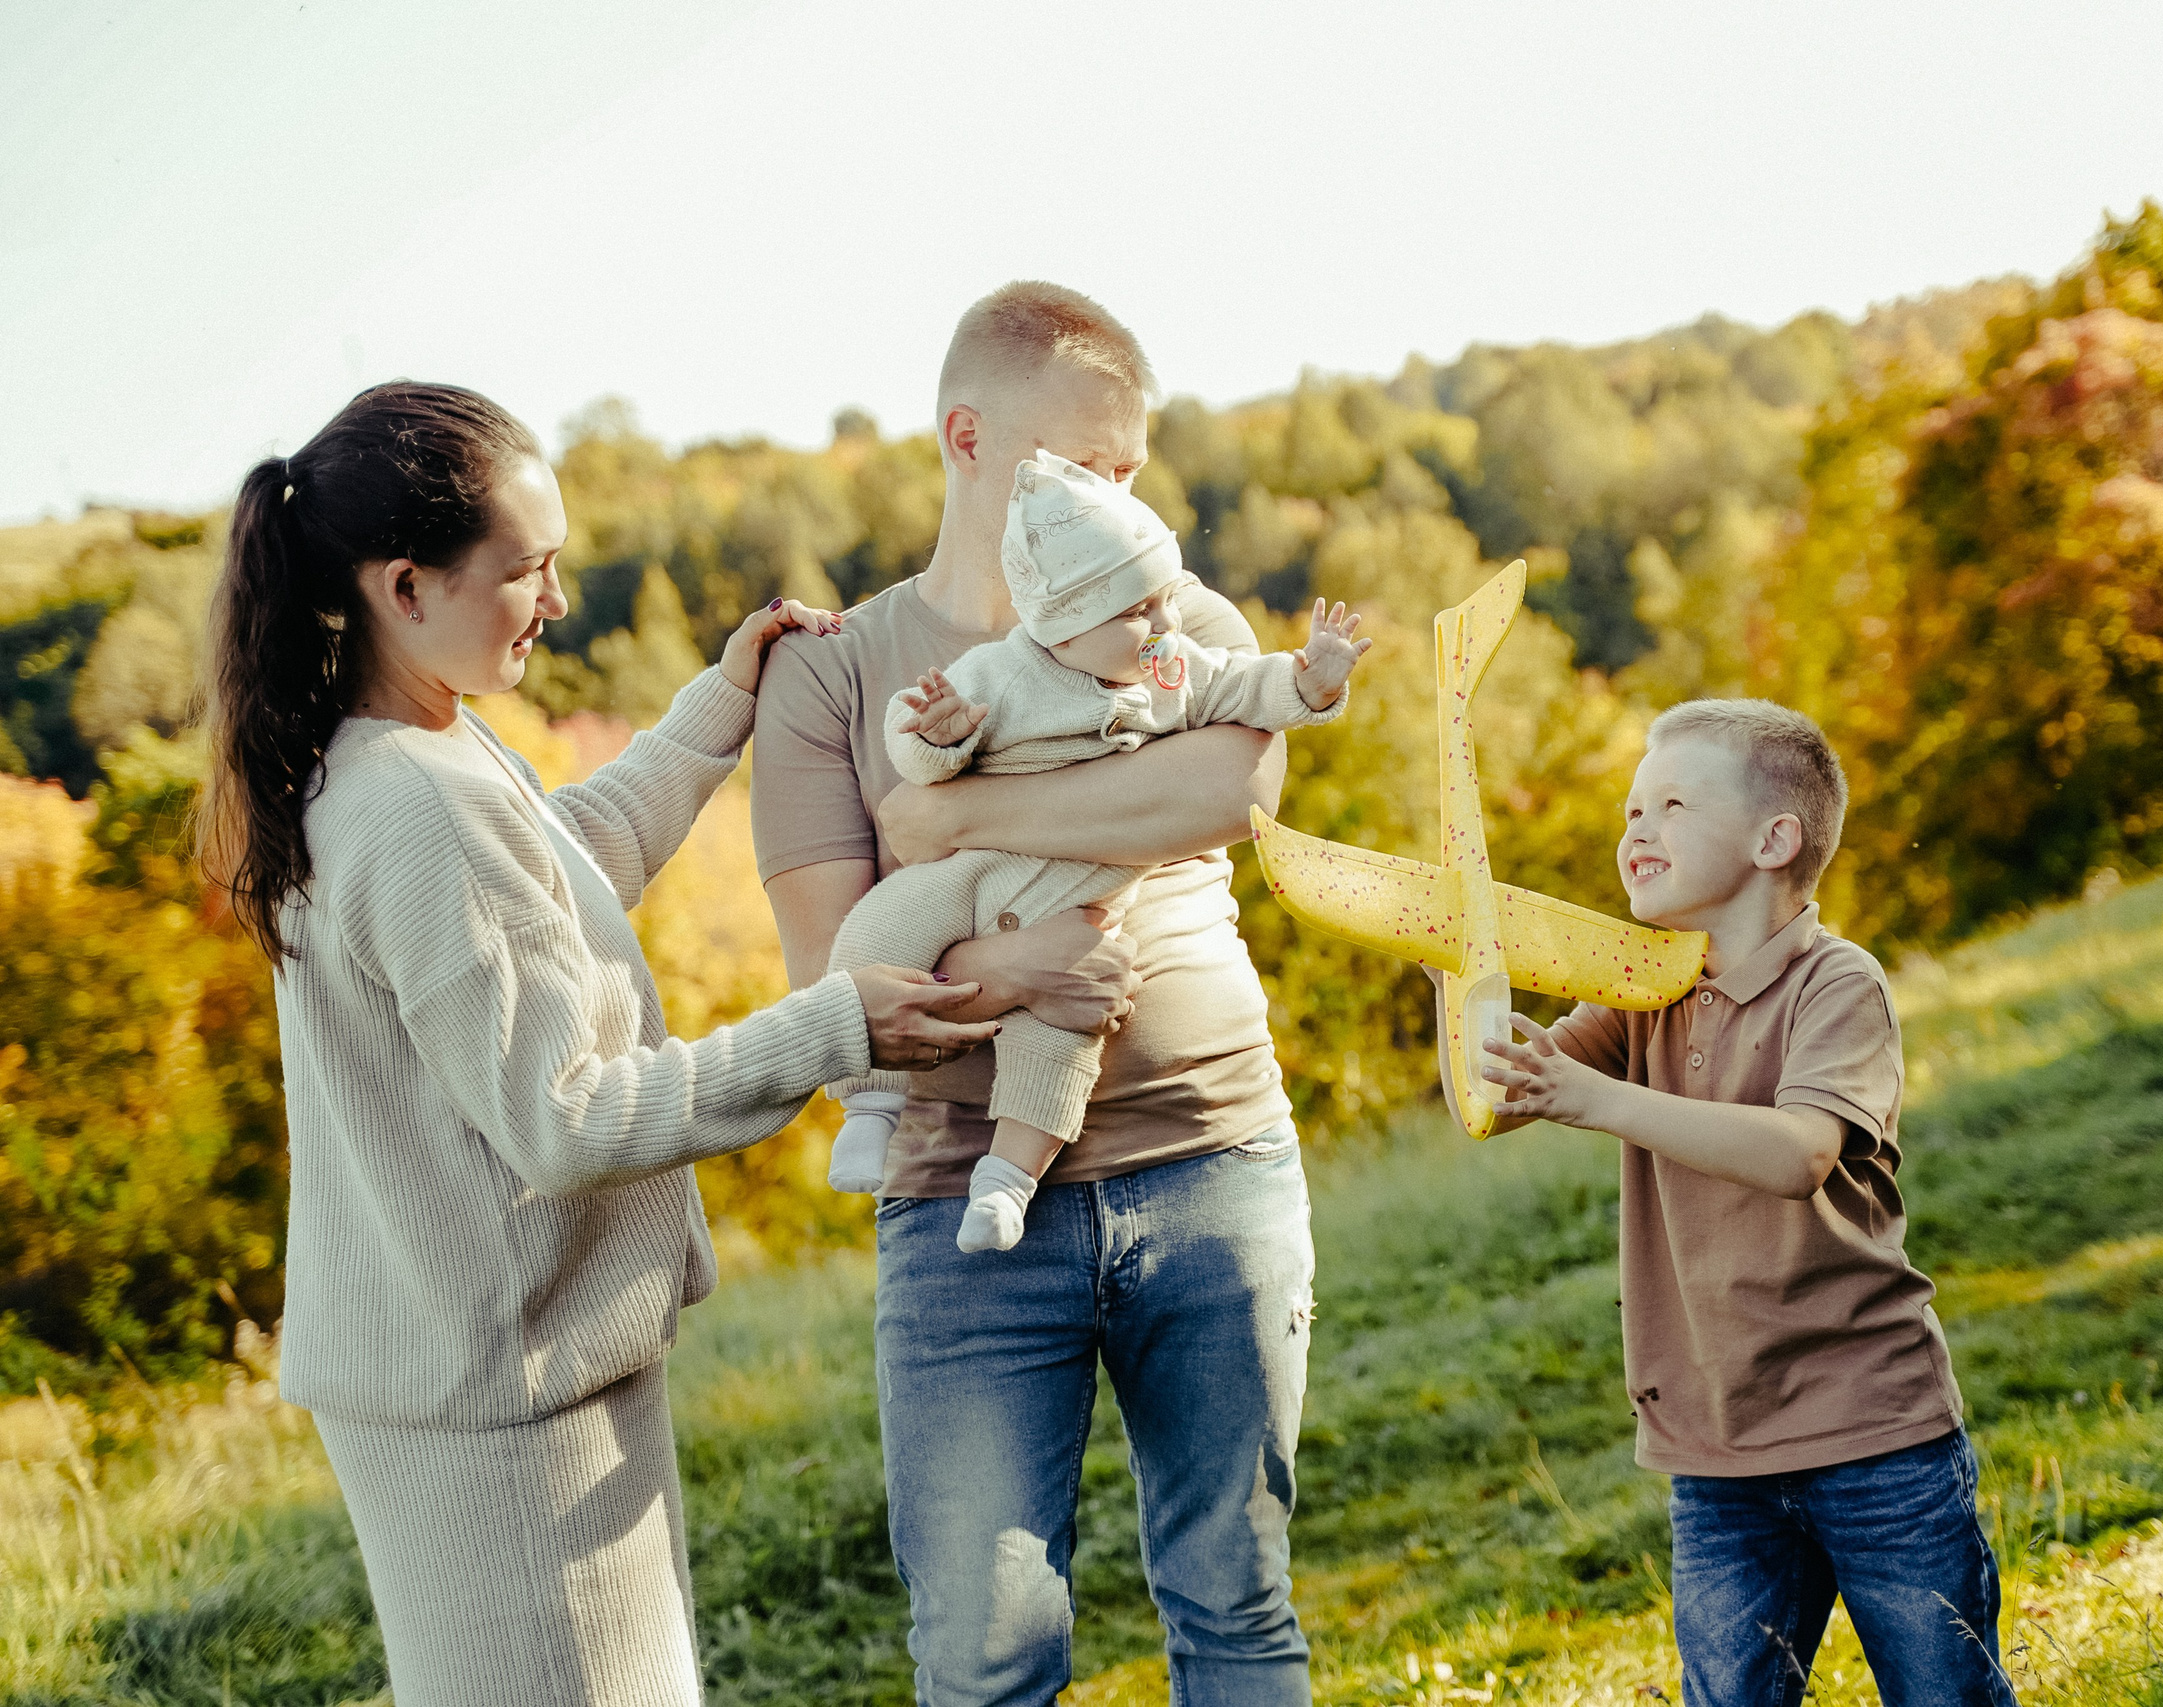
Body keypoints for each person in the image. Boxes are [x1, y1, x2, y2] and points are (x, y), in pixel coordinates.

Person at [197, 381, 1001, 1707]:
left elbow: (557, 881)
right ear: (405, 586)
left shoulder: (407, 755)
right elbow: (566, 1117)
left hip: (482, 1364)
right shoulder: (417, 808)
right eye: (527, 569)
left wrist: (716, 709)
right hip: (501, 1395)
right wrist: (834, 1026)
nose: (558, 598)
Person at [752, 283, 1317, 1707]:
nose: (1111, 496)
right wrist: (1011, 971)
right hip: (959, 1209)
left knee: (1238, 1602)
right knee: (984, 1654)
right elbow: (832, 982)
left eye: (1129, 468)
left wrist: (955, 815)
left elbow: (1232, 788)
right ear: (967, 438)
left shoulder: (1174, 612)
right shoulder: (833, 673)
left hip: (1213, 1160)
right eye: (1081, 461)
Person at [1433, 699, 2014, 1707]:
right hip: (1713, 1449)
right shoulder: (1637, 988)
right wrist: (1462, 963)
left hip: (1872, 1435)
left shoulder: (1838, 984)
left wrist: (1599, 1098)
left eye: (1671, 805)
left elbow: (1797, 1153)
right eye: (1630, 809)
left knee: (1943, 1692)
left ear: (1772, 840)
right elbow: (1495, 1099)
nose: (1636, 827)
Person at [822, 448, 1370, 1253]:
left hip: (1079, 910)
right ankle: (868, 1105)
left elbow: (1246, 686)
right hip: (974, 876)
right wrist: (939, 736)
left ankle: (1007, 1182)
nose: (1168, 624)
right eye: (1139, 610)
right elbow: (918, 747)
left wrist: (1312, 683)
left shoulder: (1172, 672)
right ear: (1063, 620)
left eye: (1165, 599)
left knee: (1064, 1032)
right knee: (879, 929)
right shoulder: (1000, 674)